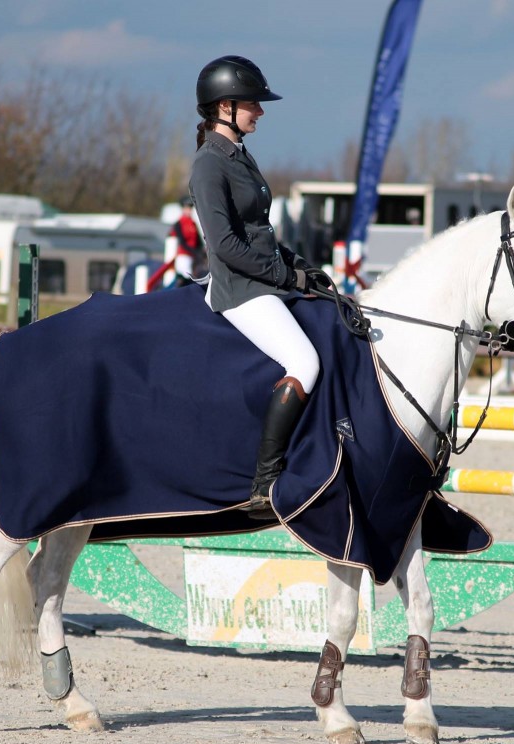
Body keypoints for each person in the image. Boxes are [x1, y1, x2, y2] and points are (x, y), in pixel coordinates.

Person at [188, 55, 322, 515]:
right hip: (239, 290)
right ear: (225, 107)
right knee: (304, 361)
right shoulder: (209, 165)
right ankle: (266, 481)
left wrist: (304, 268)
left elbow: (260, 234)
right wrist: (286, 277)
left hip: (263, 280)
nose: (260, 111)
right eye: (253, 104)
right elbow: (224, 245)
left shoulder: (239, 156)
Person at [171, 197, 206, 283]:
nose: (189, 210)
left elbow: (198, 241)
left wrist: (202, 252)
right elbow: (182, 242)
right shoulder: (178, 223)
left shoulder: (193, 223)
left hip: (193, 257)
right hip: (184, 256)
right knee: (185, 279)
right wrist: (195, 252)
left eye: (190, 208)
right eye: (187, 208)